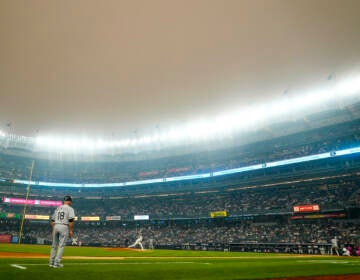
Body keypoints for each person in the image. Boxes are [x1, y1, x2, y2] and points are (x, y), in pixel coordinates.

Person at [49, 195, 75, 268]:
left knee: (54, 246)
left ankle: (51, 262)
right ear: (69, 201)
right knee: (61, 246)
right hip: (64, 226)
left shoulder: (58, 208)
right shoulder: (70, 209)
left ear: (64, 201)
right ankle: (57, 263)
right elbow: (70, 221)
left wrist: (53, 228)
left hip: (56, 226)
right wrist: (70, 231)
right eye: (70, 201)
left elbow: (52, 220)